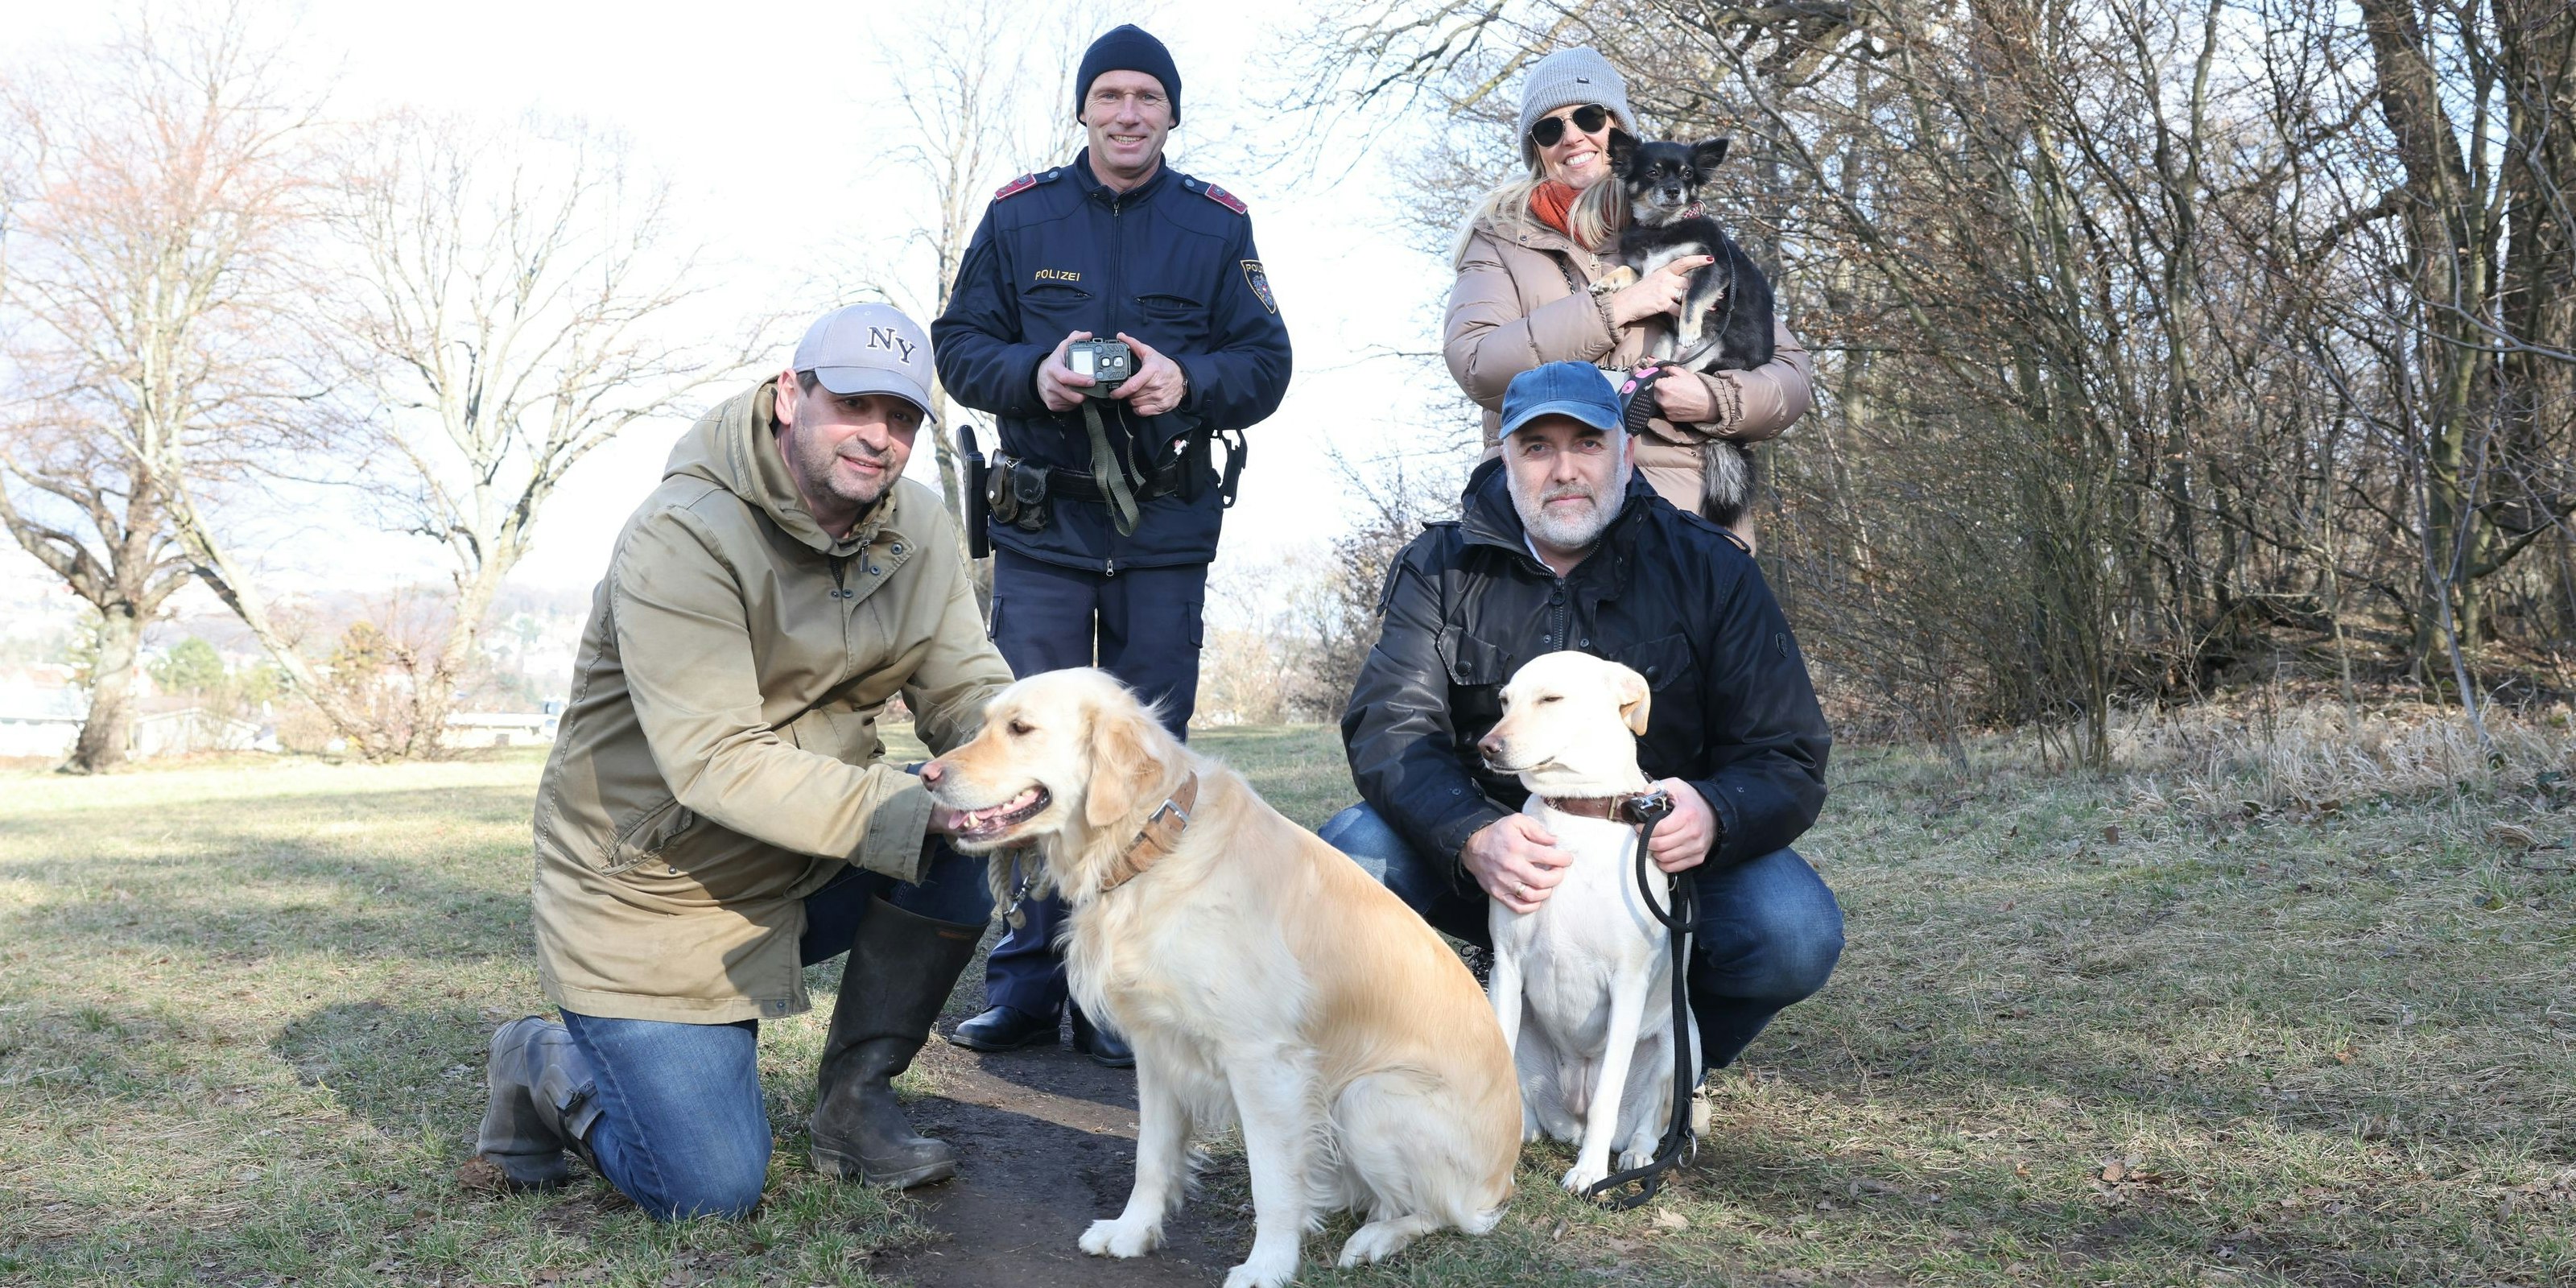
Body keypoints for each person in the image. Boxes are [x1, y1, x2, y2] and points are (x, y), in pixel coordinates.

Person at [475, 303, 1014, 1220]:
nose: (877, 438)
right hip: (658, 896)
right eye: (852, 406)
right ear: (787, 396)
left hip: (807, 856)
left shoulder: (918, 529)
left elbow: (965, 686)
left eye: (901, 418)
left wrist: (1026, 756)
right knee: (708, 1189)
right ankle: (542, 1058)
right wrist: (915, 809)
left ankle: (854, 1105)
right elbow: (716, 760)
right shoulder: (679, 535)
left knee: (955, 853)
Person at [932, 23, 1293, 1067]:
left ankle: (1124, 997)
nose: (1129, 113)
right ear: (1084, 108)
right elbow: (960, 344)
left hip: (1166, 534)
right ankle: (1026, 982)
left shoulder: (1217, 226)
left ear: (1171, 113)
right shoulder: (1019, 215)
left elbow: (1266, 363)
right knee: (1031, 759)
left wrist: (1186, 380)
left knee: (1147, 768)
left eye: (1147, 97)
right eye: (1111, 95)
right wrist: (1030, 376)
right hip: (1042, 529)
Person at [1327, 361, 1843, 1077]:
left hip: (1648, 869)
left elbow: (1786, 750)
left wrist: (1717, 812)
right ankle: (1425, 1052)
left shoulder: (1710, 569)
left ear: (1626, 454)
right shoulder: (1439, 567)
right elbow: (1391, 728)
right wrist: (1470, 834)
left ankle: (1659, 1062)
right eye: (1537, 447)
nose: (1564, 468)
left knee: (1794, 930)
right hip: (1498, 861)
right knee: (1351, 858)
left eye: (1588, 443)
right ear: (1503, 459)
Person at [1443, 47, 1815, 545]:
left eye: (1588, 117)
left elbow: (1790, 375)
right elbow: (1477, 364)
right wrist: (1618, 308)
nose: (1572, 135)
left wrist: (1712, 399)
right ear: (1536, 148)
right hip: (1548, 511)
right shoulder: (1501, 239)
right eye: (1550, 129)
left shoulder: (1689, 229)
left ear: (1617, 128)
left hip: (1684, 514)